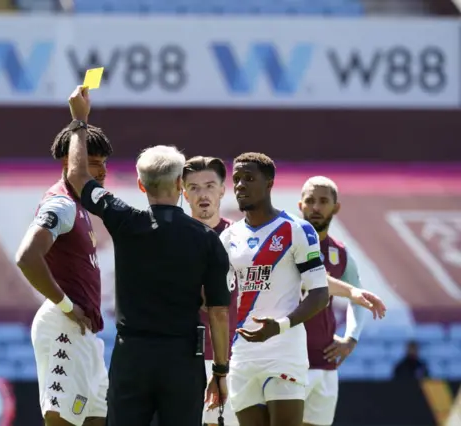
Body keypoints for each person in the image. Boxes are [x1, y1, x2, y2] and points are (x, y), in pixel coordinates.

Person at [64, 85, 231, 426]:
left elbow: (77, 176)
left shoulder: (125, 220)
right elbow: (217, 313)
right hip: (183, 359)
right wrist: (220, 372)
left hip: (133, 356)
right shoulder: (207, 239)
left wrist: (79, 122)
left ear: (142, 185)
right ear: (182, 185)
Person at [221, 152, 331, 426]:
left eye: (249, 178)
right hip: (243, 354)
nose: (240, 186)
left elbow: (320, 294)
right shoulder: (229, 237)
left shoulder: (297, 229)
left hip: (284, 351)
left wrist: (280, 325)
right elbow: (216, 298)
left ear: (269, 182)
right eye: (236, 179)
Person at [14, 122, 113, 426]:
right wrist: (67, 306)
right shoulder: (62, 204)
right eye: (94, 164)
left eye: (104, 165)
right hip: (63, 327)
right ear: (68, 163)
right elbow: (27, 258)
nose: (102, 173)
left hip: (86, 335)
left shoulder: (82, 208)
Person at [298, 176, 370, 426]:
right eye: (310, 201)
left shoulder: (340, 253)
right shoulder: (284, 245)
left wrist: (351, 338)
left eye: (323, 201)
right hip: (288, 361)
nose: (316, 207)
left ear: (336, 207)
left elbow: (358, 296)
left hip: (325, 362)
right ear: (300, 206)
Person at [182, 156, 240, 426]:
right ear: (183, 192)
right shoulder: (172, 237)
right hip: (182, 356)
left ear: (222, 190)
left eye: (209, 185)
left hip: (232, 357)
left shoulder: (242, 238)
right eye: (193, 187)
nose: (202, 194)